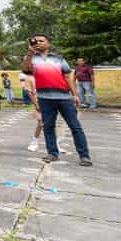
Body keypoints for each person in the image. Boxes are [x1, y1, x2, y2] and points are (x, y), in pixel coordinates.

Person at [22, 35, 92, 166]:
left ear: (48, 43)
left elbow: (67, 76)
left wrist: (75, 94)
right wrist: (30, 51)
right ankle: (52, 153)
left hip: (64, 98)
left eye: (42, 41)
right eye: (36, 41)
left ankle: (84, 156)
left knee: (75, 127)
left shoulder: (59, 59)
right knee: (48, 127)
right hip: (44, 98)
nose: (39, 43)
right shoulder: (32, 58)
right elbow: (26, 70)